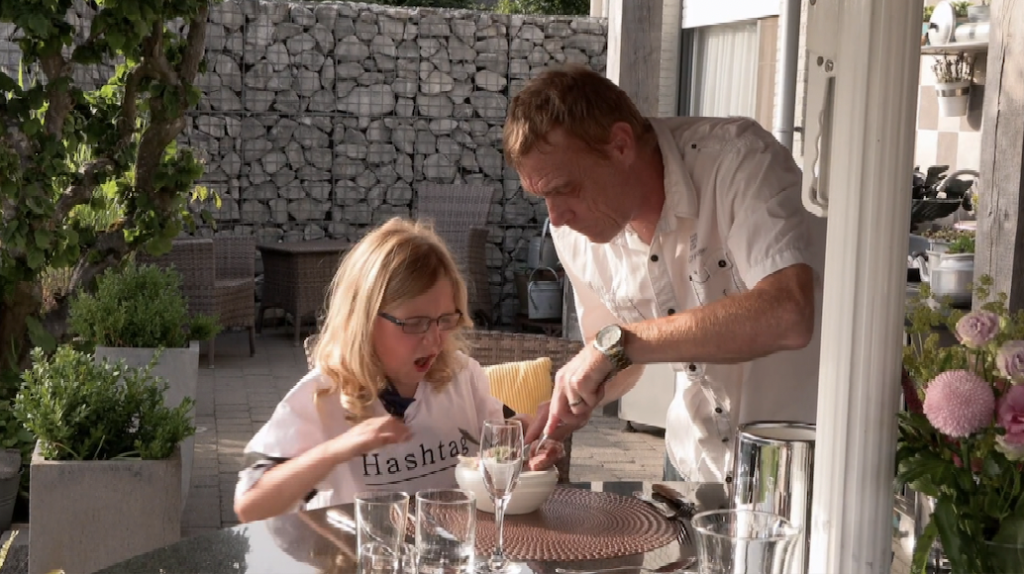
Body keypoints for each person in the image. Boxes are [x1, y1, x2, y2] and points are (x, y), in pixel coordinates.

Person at [505, 65, 827, 483]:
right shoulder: (578, 234)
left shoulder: (738, 162)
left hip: (798, 461)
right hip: (690, 462)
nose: (556, 217)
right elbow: (616, 356)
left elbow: (789, 313)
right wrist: (572, 402)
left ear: (620, 145)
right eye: (542, 196)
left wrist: (619, 345)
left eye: (564, 188)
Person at [234, 218, 558, 522]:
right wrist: (336, 450)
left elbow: (499, 448)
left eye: (445, 320)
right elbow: (250, 505)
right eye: (414, 323)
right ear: (364, 320)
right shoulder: (323, 397)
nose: (434, 339)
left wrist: (526, 451)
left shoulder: (463, 378)